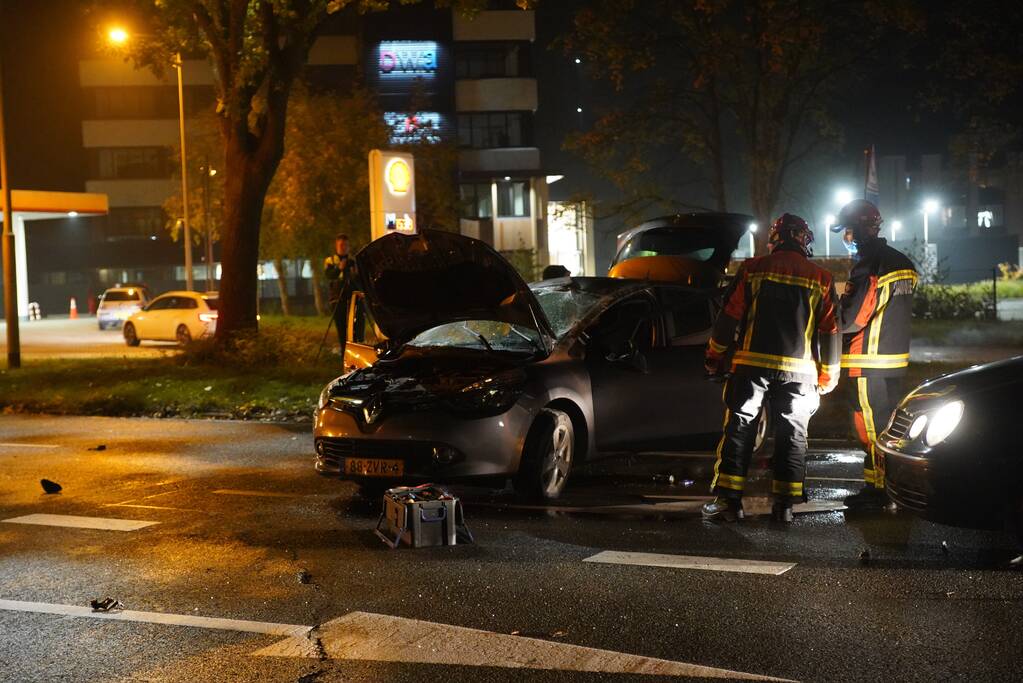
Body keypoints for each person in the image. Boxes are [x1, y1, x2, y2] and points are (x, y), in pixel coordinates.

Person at [702, 214, 841, 523]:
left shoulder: (752, 269)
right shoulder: (821, 278)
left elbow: (728, 317)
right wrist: (829, 376)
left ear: (774, 240)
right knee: (793, 434)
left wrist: (714, 355)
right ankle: (785, 507)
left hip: (751, 367)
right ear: (804, 240)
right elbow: (831, 330)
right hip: (800, 373)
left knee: (740, 427)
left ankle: (729, 503)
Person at [831, 199, 917, 508]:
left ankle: (880, 490)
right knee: (889, 426)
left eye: (848, 231)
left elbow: (852, 318)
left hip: (867, 360)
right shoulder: (902, 261)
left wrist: (827, 318)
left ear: (861, 230)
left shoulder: (869, 265)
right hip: (894, 361)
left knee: (869, 428)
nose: (847, 238)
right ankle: (891, 485)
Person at [323, 233, 354, 355]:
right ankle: (344, 355)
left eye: (345, 245)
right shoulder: (330, 261)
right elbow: (329, 275)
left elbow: (357, 279)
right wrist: (339, 268)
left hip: (352, 300)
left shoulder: (353, 261)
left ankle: (354, 356)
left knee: (353, 331)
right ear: (336, 246)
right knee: (342, 330)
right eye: (341, 245)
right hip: (337, 300)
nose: (343, 247)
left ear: (348, 246)